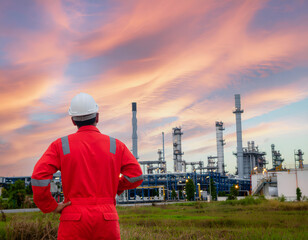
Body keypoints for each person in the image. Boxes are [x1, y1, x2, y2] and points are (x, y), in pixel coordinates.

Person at [31, 93, 143, 239]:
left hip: (72, 218)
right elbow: (137, 175)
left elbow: (38, 177)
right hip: (106, 218)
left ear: (73, 120)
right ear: (97, 117)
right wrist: (116, 187)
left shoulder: (61, 145)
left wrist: (50, 206)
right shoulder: (115, 145)